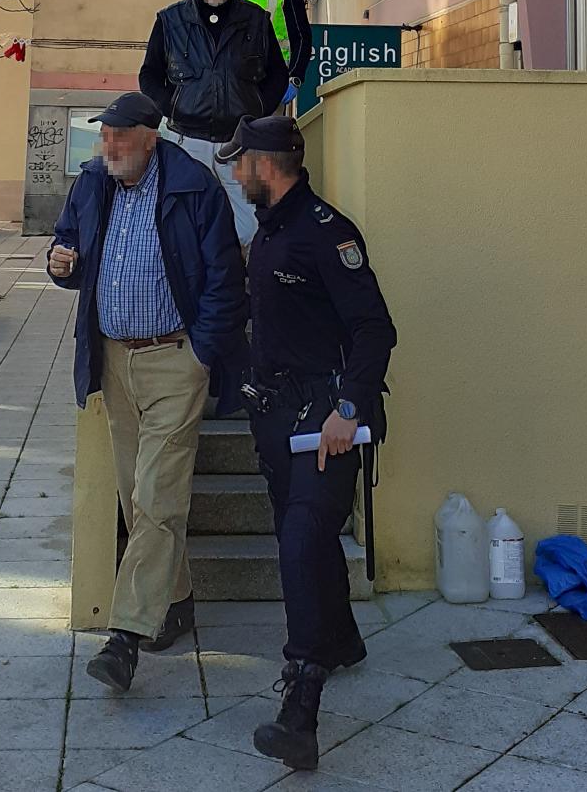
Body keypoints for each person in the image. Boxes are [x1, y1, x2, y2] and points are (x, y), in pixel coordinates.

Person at [47, 92, 248, 693]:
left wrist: (201, 355)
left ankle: (126, 636)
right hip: (114, 359)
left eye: (120, 138)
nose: (108, 147)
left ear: (150, 138)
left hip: (173, 363)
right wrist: (60, 263)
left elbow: (224, 280)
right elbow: (69, 250)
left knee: (159, 495)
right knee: (139, 500)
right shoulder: (92, 183)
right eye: (104, 137)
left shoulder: (195, 189)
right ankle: (177, 600)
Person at [215, 115, 396, 770]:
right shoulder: (268, 232)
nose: (236, 175)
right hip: (276, 418)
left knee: (301, 542)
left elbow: (375, 328)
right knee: (307, 539)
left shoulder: (327, 233)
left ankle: (300, 708)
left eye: (241, 165)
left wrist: (349, 409)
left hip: (325, 421)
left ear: (266, 165)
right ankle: (341, 639)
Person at [139, 0, 289, 247]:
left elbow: (277, 75)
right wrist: (173, 108)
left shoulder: (256, 21)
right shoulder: (170, 21)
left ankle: (227, 265)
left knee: (252, 223)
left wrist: (258, 111)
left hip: (239, 142)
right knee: (183, 216)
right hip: (186, 140)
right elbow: (149, 75)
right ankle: (198, 274)